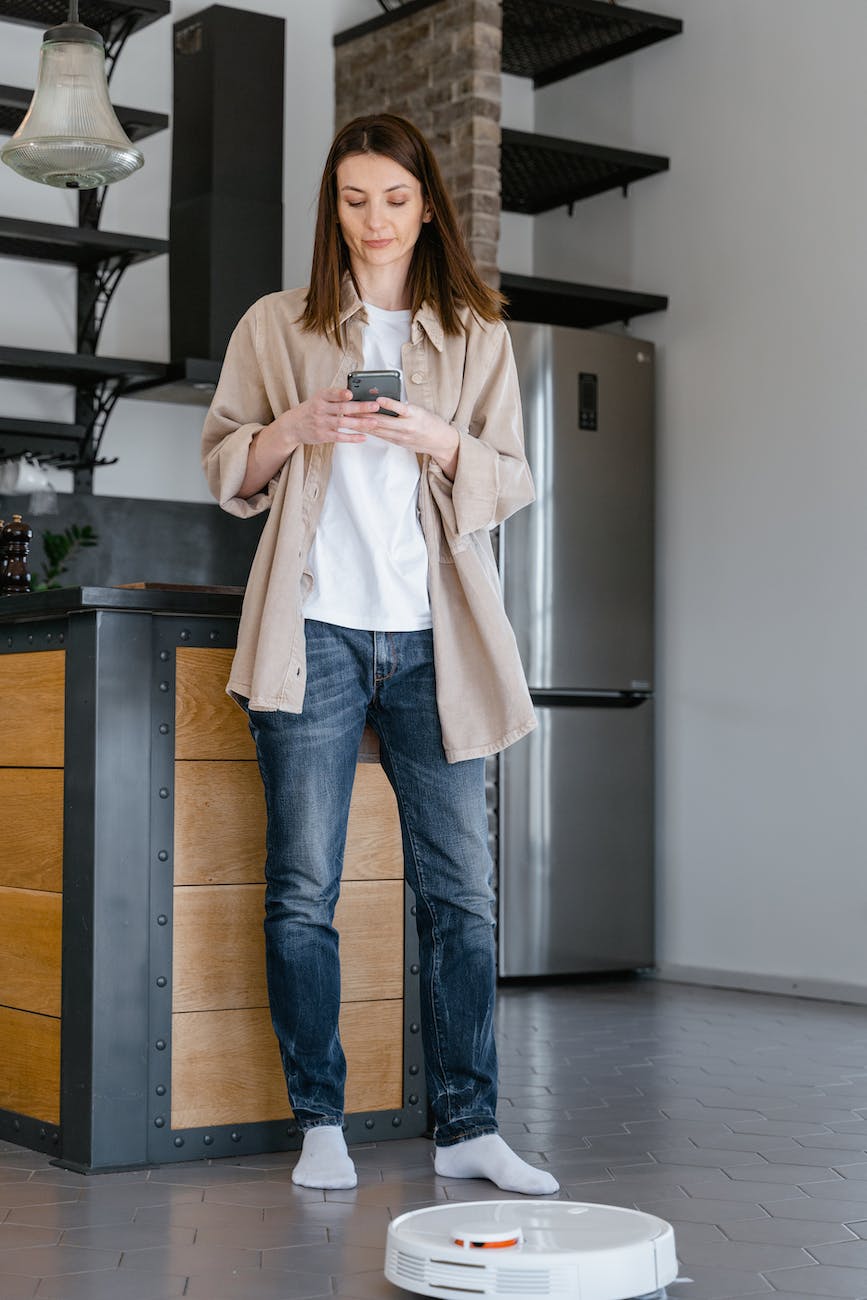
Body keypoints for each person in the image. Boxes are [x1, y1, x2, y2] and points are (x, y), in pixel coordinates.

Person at [201, 113, 558, 1197]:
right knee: (303, 887)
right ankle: (322, 1123)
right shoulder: (279, 324)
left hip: (434, 635)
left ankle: (469, 1125)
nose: (375, 222)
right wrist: (293, 429)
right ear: (333, 207)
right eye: (355, 201)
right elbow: (225, 460)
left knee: (463, 895)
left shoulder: (476, 333)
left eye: (394, 201)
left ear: (427, 206)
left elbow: (513, 477)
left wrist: (438, 439)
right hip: (313, 631)